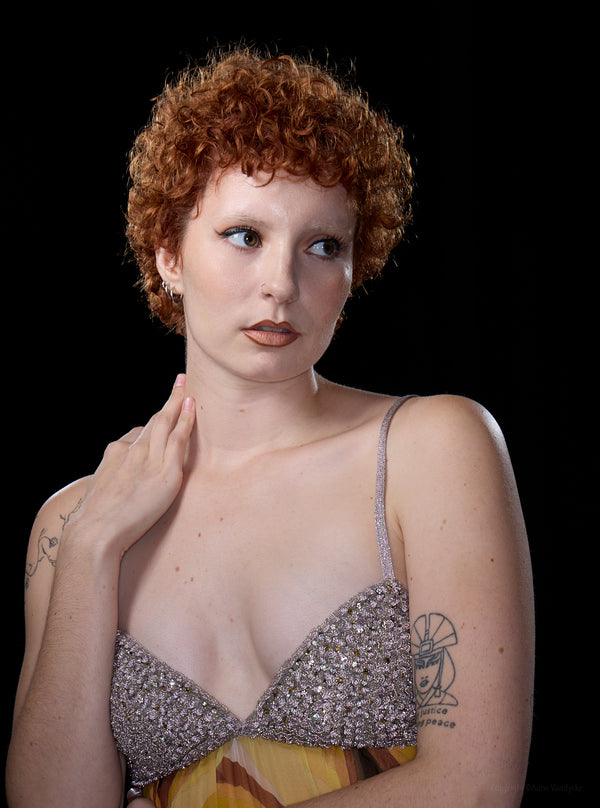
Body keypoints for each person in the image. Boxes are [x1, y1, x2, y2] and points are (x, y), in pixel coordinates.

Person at [5, 47, 534, 808]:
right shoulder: (69, 526)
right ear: (168, 253)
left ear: (357, 267)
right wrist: (92, 552)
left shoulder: (434, 449)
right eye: (244, 236)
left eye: (324, 246)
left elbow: (478, 787)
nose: (283, 285)